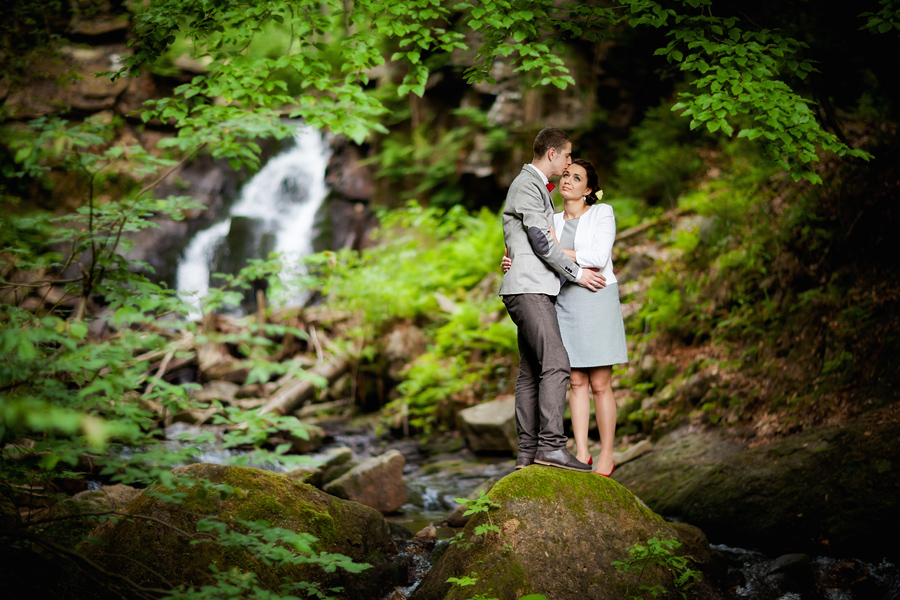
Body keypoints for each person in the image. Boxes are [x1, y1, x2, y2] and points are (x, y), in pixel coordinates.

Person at [502, 158, 628, 477]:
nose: (567, 180)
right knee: (575, 380)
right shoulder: (552, 218)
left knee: (600, 383)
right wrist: (517, 261)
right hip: (564, 299)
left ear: (588, 189)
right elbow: (537, 252)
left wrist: (553, 249)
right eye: (566, 175)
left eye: (576, 178)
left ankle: (606, 456)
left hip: (597, 297)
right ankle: (582, 452)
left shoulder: (602, 212)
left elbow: (598, 258)